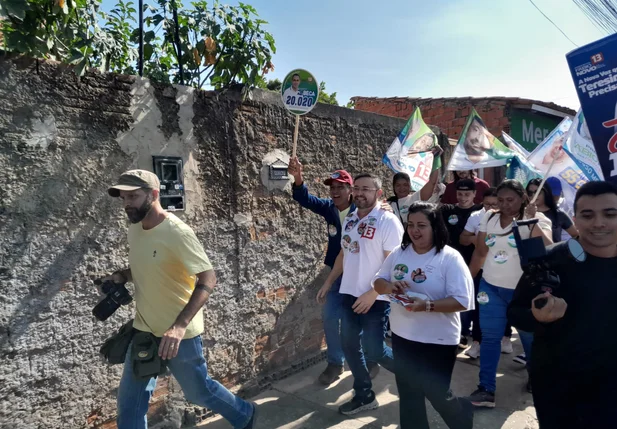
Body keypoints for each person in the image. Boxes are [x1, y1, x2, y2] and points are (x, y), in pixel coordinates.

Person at [102, 170, 257, 429]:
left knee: (199, 392)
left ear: (153, 195)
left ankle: (245, 413)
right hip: (144, 330)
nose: (127, 203)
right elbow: (147, 266)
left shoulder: (177, 232)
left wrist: (179, 326)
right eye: (123, 197)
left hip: (178, 335)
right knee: (130, 405)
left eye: (133, 196)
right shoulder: (135, 229)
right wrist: (120, 276)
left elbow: (208, 278)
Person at [508, 181, 617, 429]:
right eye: (587, 215)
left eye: (610, 214)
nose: (598, 222)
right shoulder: (550, 260)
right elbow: (515, 312)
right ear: (575, 219)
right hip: (558, 385)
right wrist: (538, 317)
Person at [373, 202, 475, 429]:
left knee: (438, 393)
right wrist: (391, 287)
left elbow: (462, 301)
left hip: (437, 339)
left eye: (421, 225)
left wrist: (427, 305)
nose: (414, 230)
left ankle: (462, 416)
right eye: (410, 225)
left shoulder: (449, 257)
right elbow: (378, 282)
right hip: (403, 336)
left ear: (435, 227)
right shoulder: (400, 253)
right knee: (409, 394)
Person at [317, 173, 404, 415]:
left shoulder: (388, 221)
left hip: (375, 299)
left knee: (375, 350)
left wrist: (371, 294)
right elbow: (343, 255)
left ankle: (417, 375)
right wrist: (329, 282)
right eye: (357, 188)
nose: (360, 193)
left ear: (378, 192)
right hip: (349, 295)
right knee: (350, 346)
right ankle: (364, 395)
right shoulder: (351, 219)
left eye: (366, 188)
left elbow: (393, 265)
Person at [465, 179, 553, 407]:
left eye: (510, 200)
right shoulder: (489, 217)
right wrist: (466, 281)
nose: (504, 205)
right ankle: (486, 389)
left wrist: (530, 222)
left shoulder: (537, 219)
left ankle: (537, 379)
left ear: (523, 198)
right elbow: (481, 252)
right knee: (490, 338)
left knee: (529, 340)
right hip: (490, 288)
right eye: (500, 200)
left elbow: (549, 249)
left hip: (524, 293)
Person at [287, 157, 354, 385]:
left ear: (350, 189)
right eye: (332, 188)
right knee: (329, 316)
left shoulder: (362, 211)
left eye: (340, 187)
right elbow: (304, 198)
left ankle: (363, 358)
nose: (335, 192)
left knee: (354, 320)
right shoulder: (329, 208)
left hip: (359, 273)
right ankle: (335, 362)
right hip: (335, 273)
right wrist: (298, 178)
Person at [459, 188, 514, 358]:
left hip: (506, 272)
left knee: (506, 309)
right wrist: (476, 239)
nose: (491, 208)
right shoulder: (477, 217)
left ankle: (505, 337)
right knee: (479, 307)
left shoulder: (512, 219)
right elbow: (463, 239)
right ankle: (477, 342)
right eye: (487, 204)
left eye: (494, 204)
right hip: (482, 270)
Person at [439, 179, 482, 349]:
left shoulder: (480, 211)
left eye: (467, 194)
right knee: (451, 296)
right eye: (460, 194)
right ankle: (456, 332)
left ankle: (469, 334)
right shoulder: (448, 210)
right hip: (450, 263)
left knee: (471, 298)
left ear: (474, 194)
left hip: (475, 261)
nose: (463, 197)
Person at [526, 178, 578, 242]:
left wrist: (567, 248)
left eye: (538, 192)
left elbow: (576, 235)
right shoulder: (523, 213)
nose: (534, 195)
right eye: (530, 193)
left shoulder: (558, 214)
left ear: (546, 192)